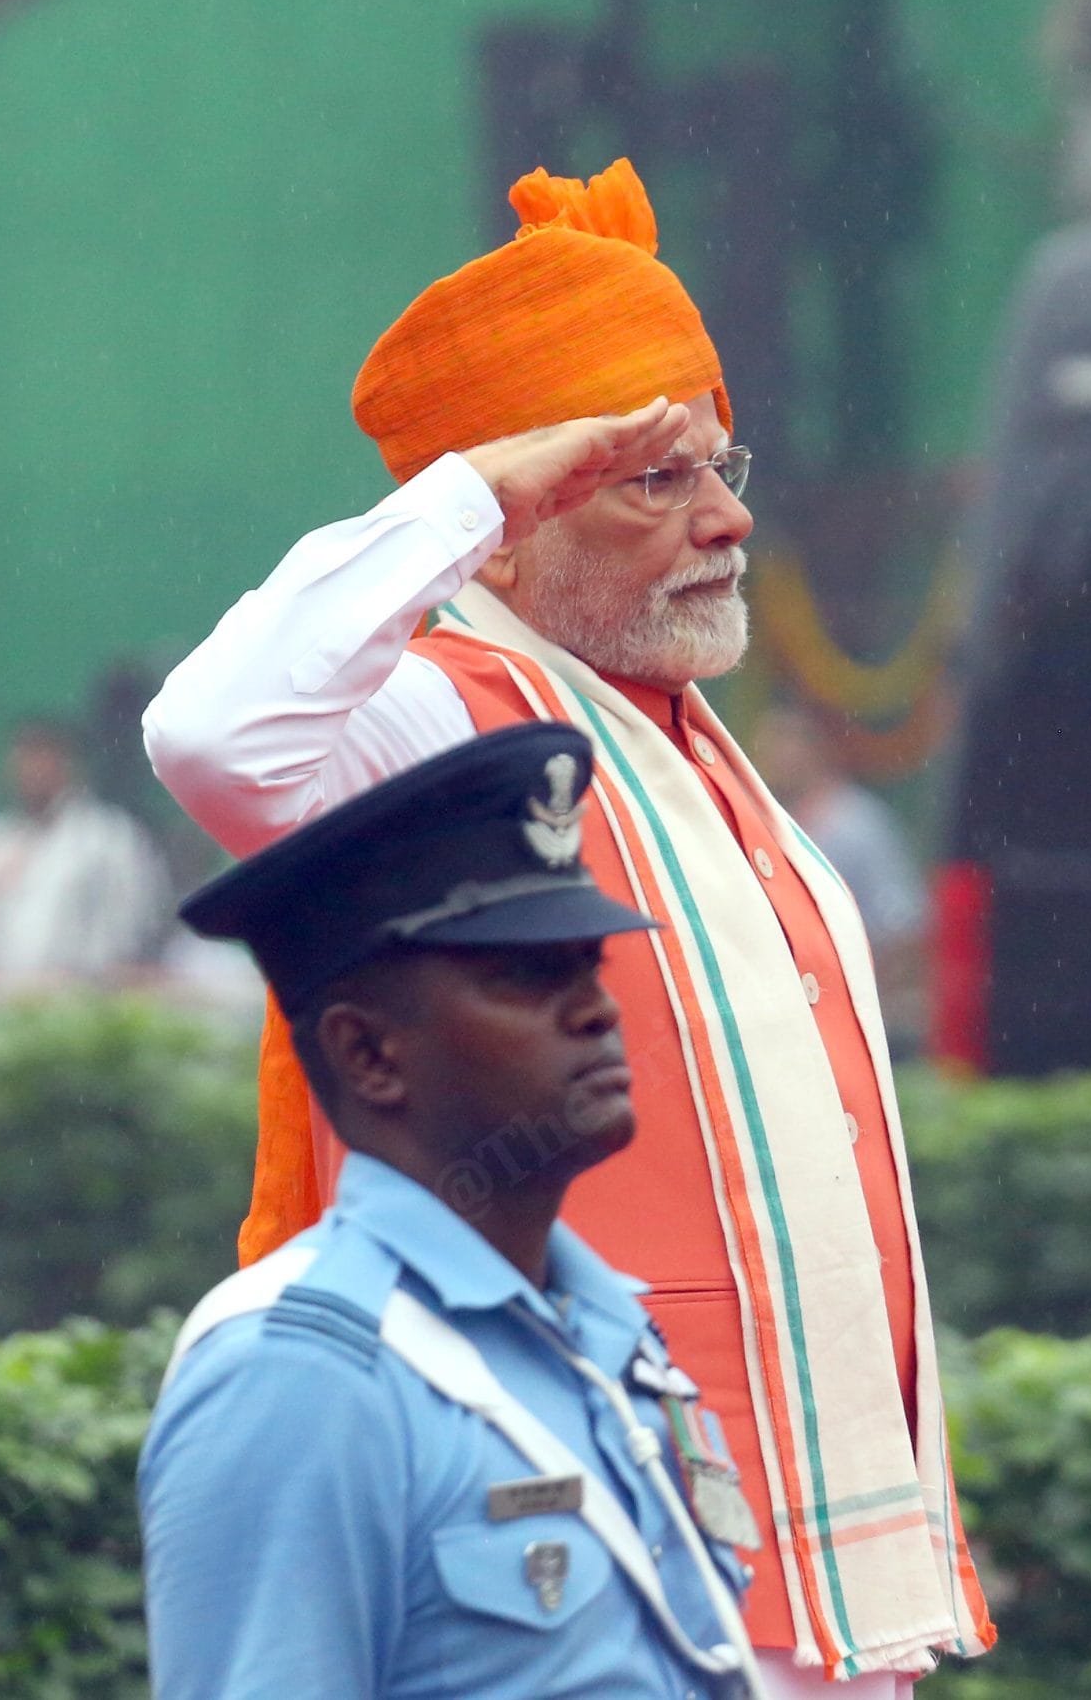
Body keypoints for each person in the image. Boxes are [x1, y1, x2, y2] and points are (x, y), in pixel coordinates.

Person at [143, 158, 991, 1689]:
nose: (730, 518)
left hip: (800, 1567)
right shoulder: (431, 720)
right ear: (506, 536)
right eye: (656, 479)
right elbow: (214, 735)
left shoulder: (700, 744)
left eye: (725, 466)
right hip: (560, 1552)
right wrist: (475, 492)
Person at [141, 722, 763, 1699]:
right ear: (371, 1054)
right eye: (525, 972)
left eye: (588, 962)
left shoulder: (601, 1325)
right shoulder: (303, 1374)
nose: (597, 1008)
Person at [0, 718, 173, 976]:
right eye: (24, 757)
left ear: (69, 763)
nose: (32, 769)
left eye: (43, 756)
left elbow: (134, 925)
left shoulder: (109, 838)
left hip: (86, 998)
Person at [751, 702, 928, 1054]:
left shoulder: (857, 824)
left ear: (817, 749)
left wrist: (859, 994)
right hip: (786, 1020)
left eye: (786, 740)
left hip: (852, 1016)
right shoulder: (764, 819)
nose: (774, 753)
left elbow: (903, 929)